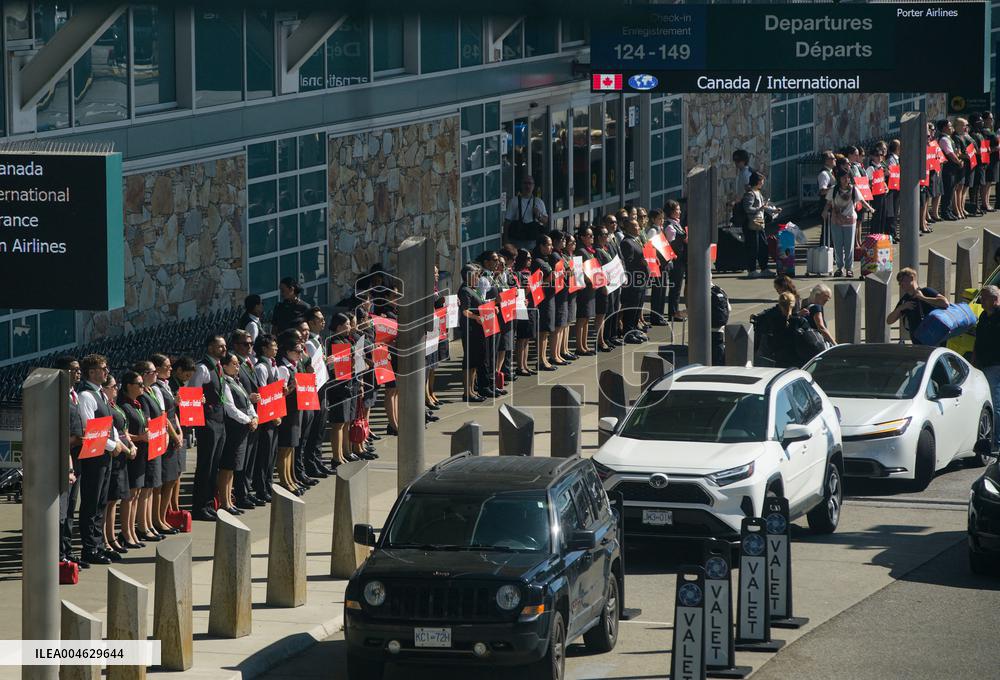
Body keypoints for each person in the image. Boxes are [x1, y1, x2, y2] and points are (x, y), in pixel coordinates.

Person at [75, 354, 123, 565]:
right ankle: (90, 548)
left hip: (105, 454)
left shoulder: (100, 394)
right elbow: (89, 428)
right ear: (92, 371)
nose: (106, 371)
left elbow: (107, 422)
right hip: (95, 455)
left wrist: (117, 443)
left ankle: (99, 544)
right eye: (103, 368)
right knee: (91, 502)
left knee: (102, 501)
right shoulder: (86, 395)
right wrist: (112, 446)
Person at [187, 334, 228, 521]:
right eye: (220, 347)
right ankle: (200, 505)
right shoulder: (202, 368)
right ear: (210, 347)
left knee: (215, 465)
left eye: (224, 346)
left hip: (219, 419)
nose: (224, 350)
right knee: (205, 464)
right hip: (208, 421)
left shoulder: (218, 367)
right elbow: (193, 394)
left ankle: (210, 503)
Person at [228, 330, 265, 508]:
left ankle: (247, 491)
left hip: (254, 415)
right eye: (245, 344)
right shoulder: (235, 365)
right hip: (241, 419)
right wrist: (248, 398)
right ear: (236, 345)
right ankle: (240, 494)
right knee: (242, 459)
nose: (249, 347)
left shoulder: (251, 362)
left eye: (251, 343)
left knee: (251, 457)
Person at [219, 352, 258, 515]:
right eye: (234, 364)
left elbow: (248, 402)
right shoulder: (225, 383)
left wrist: (254, 416)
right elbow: (230, 408)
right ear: (225, 365)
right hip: (234, 427)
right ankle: (224, 502)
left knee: (234, 466)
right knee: (228, 466)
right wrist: (248, 419)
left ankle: (230, 500)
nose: (237, 367)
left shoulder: (237, 381)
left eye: (237, 364)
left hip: (243, 426)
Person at [54, 355, 84, 568]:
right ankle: (57, 553)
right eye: (74, 369)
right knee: (62, 510)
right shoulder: (56, 396)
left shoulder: (74, 395)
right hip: (64, 456)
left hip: (78, 455)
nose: (78, 372)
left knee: (72, 506)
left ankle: (67, 549)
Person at [102, 374, 135, 559]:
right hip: (113, 454)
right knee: (109, 500)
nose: (116, 389)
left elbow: (121, 431)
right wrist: (123, 447)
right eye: (113, 386)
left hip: (121, 453)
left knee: (114, 499)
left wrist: (130, 445)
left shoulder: (113, 405)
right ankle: (107, 539)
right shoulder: (107, 405)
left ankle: (111, 537)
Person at [149, 354, 182, 534]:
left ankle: (163, 516)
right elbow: (163, 415)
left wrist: (180, 431)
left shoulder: (166, 386)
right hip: (166, 436)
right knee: (162, 480)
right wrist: (174, 434)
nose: (170, 369)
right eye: (167, 366)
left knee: (172, 478)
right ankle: (157, 519)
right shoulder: (156, 388)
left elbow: (172, 412)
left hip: (174, 433)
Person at [134, 360, 164, 542]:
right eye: (153, 372)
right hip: (147, 444)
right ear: (144, 374)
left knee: (151, 486)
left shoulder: (152, 391)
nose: (156, 374)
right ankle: (143, 526)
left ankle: (149, 523)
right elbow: (147, 420)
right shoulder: (143, 396)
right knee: (145, 488)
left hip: (157, 441)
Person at [823, 169, 872, 278]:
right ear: (839, 179)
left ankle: (849, 269)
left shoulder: (854, 189)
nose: (846, 179)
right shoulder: (834, 190)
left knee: (849, 246)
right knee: (838, 245)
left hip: (850, 221)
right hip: (836, 221)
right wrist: (825, 211)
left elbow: (862, 201)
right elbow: (828, 203)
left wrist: (870, 208)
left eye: (848, 177)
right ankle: (840, 268)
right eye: (844, 177)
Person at [274, 329, 304, 495]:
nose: (300, 354)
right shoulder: (284, 369)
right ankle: (284, 480)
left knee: (292, 446)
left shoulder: (295, 366)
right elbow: (279, 393)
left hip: (295, 409)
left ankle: (291, 477)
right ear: (288, 352)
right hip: (287, 411)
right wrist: (291, 388)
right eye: (298, 351)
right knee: (285, 447)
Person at [886, 267, 950, 344]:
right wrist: (900, 308)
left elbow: (945, 303)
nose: (900, 284)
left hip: (935, 339)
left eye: (902, 280)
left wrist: (923, 298)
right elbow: (889, 321)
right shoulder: (905, 300)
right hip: (918, 342)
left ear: (911, 278)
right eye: (899, 282)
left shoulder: (926, 291)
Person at [252, 333, 280, 501]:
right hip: (267, 417)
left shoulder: (272, 365)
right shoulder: (261, 367)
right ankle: (261, 487)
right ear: (264, 348)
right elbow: (264, 393)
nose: (276, 348)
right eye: (273, 346)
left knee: (272, 454)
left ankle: (268, 485)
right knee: (264, 454)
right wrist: (273, 415)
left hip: (275, 414)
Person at [326, 313, 355, 468]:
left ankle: (343, 453)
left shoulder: (344, 340)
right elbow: (339, 368)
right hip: (338, 387)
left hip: (345, 385)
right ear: (339, 326)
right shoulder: (335, 342)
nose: (350, 327)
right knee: (338, 423)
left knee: (344, 422)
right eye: (347, 324)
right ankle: (336, 457)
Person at [167, 356, 196, 512]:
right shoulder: (170, 386)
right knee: (173, 473)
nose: (188, 379)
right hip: (173, 432)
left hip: (182, 431)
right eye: (186, 375)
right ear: (178, 371)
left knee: (179, 472)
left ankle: (175, 504)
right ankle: (171, 506)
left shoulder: (181, 385)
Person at [973, 285, 1000, 449]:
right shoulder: (984, 316)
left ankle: (996, 442)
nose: (981, 301)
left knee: (995, 404)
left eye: (984, 298)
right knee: (988, 402)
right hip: (984, 364)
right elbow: (978, 339)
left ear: (994, 299)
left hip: (996, 365)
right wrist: (974, 357)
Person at [458, 263, 487, 401]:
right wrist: (476, 318)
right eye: (476, 275)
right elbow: (465, 310)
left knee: (475, 361)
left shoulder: (472, 289)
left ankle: (472, 390)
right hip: (470, 330)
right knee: (469, 361)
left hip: (478, 330)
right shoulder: (465, 291)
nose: (478, 278)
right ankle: (467, 392)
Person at [741, 171, 779, 278]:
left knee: (763, 245)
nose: (762, 183)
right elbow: (748, 208)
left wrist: (774, 210)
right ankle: (752, 269)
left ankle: (764, 268)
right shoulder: (750, 194)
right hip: (751, 223)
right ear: (757, 181)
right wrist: (760, 208)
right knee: (753, 246)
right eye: (761, 181)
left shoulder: (758, 193)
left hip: (759, 223)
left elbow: (763, 206)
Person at [760, 292, 810, 369]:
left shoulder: (773, 321)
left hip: (779, 361)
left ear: (780, 305)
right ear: (793, 305)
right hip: (798, 361)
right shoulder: (800, 321)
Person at [619, 218, 649, 343]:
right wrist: (641, 263)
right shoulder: (626, 242)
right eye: (635, 226)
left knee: (638, 307)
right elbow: (628, 263)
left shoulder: (635, 240)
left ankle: (635, 329)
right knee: (631, 309)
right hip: (634, 282)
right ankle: (628, 332)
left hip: (641, 281)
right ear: (629, 228)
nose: (639, 228)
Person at [531, 235, 557, 370]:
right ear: (541, 246)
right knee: (542, 330)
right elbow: (537, 283)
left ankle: (545, 358)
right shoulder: (537, 261)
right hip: (543, 300)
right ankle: (540, 360)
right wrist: (551, 277)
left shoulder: (547, 259)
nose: (551, 247)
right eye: (548, 244)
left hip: (551, 297)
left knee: (546, 331)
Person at [503, 175, 548, 250]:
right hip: (517, 239)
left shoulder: (538, 202)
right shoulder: (514, 201)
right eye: (525, 183)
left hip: (532, 239)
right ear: (521, 185)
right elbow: (507, 221)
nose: (528, 186)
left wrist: (538, 215)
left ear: (533, 186)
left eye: (530, 183)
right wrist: (505, 239)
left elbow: (546, 220)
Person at [513, 249, 537, 376]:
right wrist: (529, 289)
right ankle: (520, 365)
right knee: (521, 338)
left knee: (527, 338)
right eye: (528, 258)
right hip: (523, 307)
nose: (530, 260)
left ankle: (525, 364)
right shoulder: (518, 274)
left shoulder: (529, 273)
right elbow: (520, 292)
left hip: (532, 306)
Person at [574, 227, 597, 355]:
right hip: (584, 289)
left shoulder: (588, 250)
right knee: (582, 318)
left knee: (587, 318)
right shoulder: (580, 251)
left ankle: (585, 344)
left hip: (590, 288)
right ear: (582, 237)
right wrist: (590, 279)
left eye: (592, 235)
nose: (592, 238)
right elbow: (579, 272)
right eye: (589, 236)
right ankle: (579, 346)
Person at [663, 200, 688, 322]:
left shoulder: (676, 224)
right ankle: (673, 313)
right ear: (671, 211)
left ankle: (674, 311)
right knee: (675, 288)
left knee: (677, 287)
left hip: (681, 259)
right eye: (677, 210)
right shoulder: (669, 226)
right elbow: (670, 245)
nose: (680, 212)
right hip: (676, 260)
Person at [937, 119, 964, 221]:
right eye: (949, 126)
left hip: (952, 169)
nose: (951, 127)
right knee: (948, 190)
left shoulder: (949, 138)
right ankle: (945, 212)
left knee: (951, 190)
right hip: (948, 169)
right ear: (944, 128)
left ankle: (948, 210)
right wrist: (958, 161)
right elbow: (950, 153)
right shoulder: (944, 139)